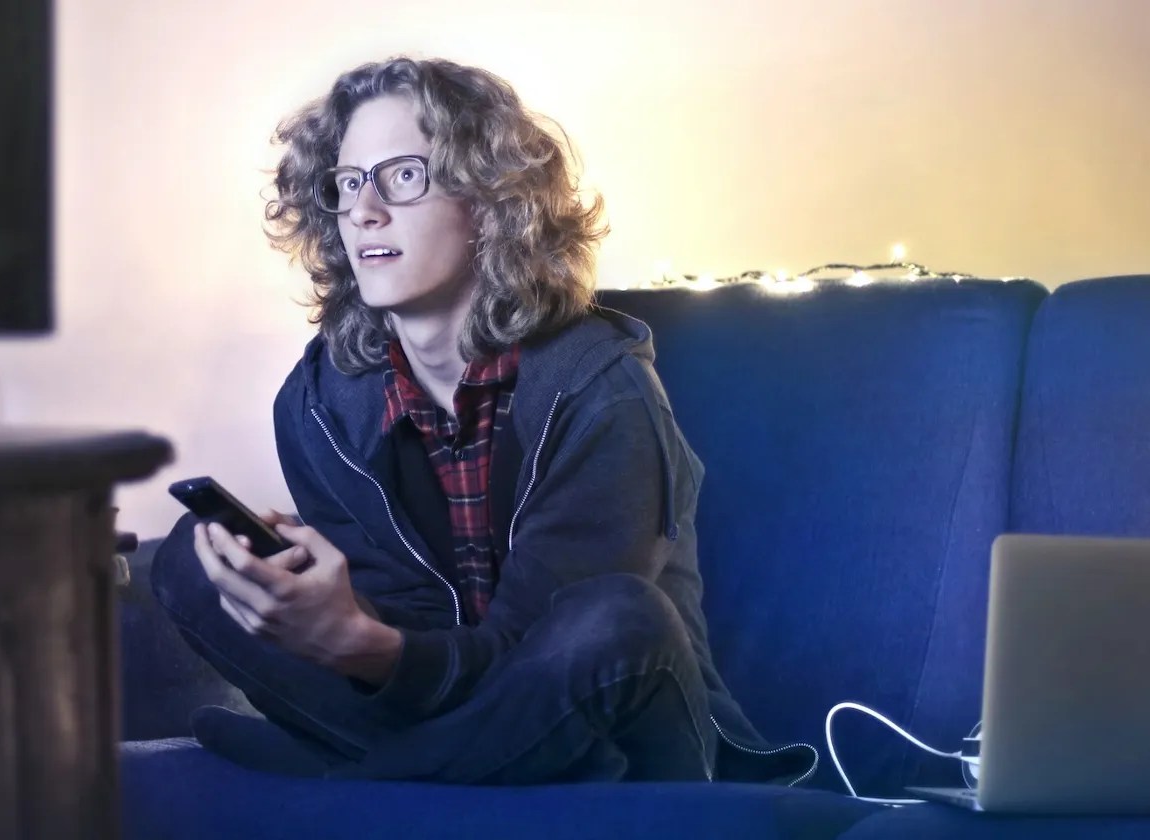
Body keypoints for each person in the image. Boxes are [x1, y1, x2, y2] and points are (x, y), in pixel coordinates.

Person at [150, 56, 816, 785]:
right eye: (348, 183)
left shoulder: (601, 392)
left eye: (403, 176)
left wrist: (357, 644)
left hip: (616, 736)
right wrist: (333, 609)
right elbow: (414, 647)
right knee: (196, 551)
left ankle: (371, 778)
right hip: (441, 711)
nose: (365, 210)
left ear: (491, 203)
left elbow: (537, 653)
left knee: (620, 619)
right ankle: (420, 774)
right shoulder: (321, 404)